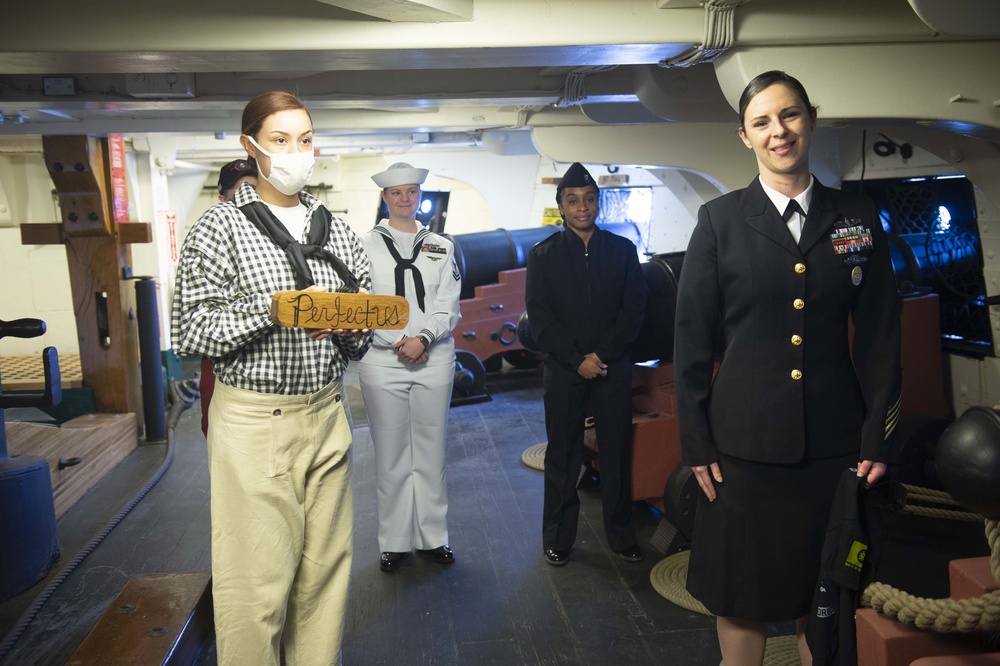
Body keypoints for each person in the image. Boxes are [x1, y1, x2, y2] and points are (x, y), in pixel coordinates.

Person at [673, 70, 902, 666]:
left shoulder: (856, 217)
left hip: (832, 446)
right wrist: (696, 442)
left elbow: (880, 337)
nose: (780, 131)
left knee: (824, 601)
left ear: (811, 119)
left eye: (790, 115)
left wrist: (877, 433)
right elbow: (693, 340)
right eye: (763, 122)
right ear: (744, 137)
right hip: (740, 451)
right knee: (742, 599)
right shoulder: (719, 222)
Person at [171, 90, 371, 666]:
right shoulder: (219, 229)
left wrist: (340, 324)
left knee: (324, 579)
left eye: (304, 140)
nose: (295, 152)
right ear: (251, 146)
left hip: (328, 412)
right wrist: (276, 309)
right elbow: (194, 331)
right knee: (255, 585)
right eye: (281, 140)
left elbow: (357, 337)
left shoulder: (336, 231)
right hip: (256, 422)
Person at [525, 162, 648, 567]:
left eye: (589, 199)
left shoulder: (623, 251)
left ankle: (621, 535)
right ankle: (558, 538)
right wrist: (577, 359)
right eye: (573, 200)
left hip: (612, 367)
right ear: (560, 206)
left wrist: (603, 356)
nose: (582, 207)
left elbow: (633, 311)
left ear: (599, 203)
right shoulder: (543, 257)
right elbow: (541, 318)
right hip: (564, 369)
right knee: (562, 455)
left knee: (616, 453)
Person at [359, 162, 462, 573]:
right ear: (385, 198)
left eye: (412, 192)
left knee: (431, 448)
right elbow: (360, 304)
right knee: (391, 453)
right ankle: (395, 542)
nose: (405, 199)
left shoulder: (441, 245)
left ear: (421, 196)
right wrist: (396, 341)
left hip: (434, 357)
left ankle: (433, 537)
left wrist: (423, 338)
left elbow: (448, 303)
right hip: (382, 360)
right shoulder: (363, 244)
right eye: (396, 192)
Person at [198, 158, 259, 438]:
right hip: (226, 363)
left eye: (255, 193)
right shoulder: (207, 246)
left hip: (273, 373)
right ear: (222, 199)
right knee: (222, 435)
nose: (248, 202)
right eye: (239, 195)